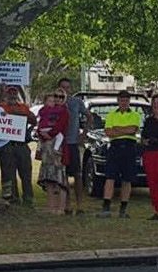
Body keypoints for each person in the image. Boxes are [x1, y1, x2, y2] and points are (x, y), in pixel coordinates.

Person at [96, 90, 141, 219]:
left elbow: (133, 129)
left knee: (127, 179)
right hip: (115, 147)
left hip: (129, 147)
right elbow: (108, 132)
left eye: (126, 101)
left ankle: (123, 208)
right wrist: (125, 130)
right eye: (122, 100)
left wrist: (117, 129)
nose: (124, 103)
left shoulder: (135, 115)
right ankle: (106, 207)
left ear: (129, 102)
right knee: (110, 177)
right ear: (118, 101)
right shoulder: (111, 115)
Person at [58, 77, 92, 215]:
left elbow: (89, 116)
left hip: (72, 143)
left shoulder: (77, 102)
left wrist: (84, 133)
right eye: (63, 87)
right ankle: (67, 204)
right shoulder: (55, 102)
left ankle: (80, 205)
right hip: (59, 144)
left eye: (67, 87)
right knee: (63, 175)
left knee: (77, 175)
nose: (65, 90)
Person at [0, 85, 37, 206]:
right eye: (10, 93)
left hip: (22, 144)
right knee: (9, 173)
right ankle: (13, 199)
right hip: (7, 144)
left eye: (14, 93)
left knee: (26, 173)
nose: (12, 95)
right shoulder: (2, 107)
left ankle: (28, 198)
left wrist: (23, 115)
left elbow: (34, 120)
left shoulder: (23, 107)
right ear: (6, 95)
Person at [37, 91, 70, 215]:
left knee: (59, 178)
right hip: (46, 147)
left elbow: (61, 127)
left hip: (58, 148)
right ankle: (50, 207)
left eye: (61, 97)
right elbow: (40, 124)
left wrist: (50, 134)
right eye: (55, 96)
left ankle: (60, 208)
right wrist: (41, 134)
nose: (57, 99)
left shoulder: (64, 112)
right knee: (49, 178)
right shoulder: (47, 111)